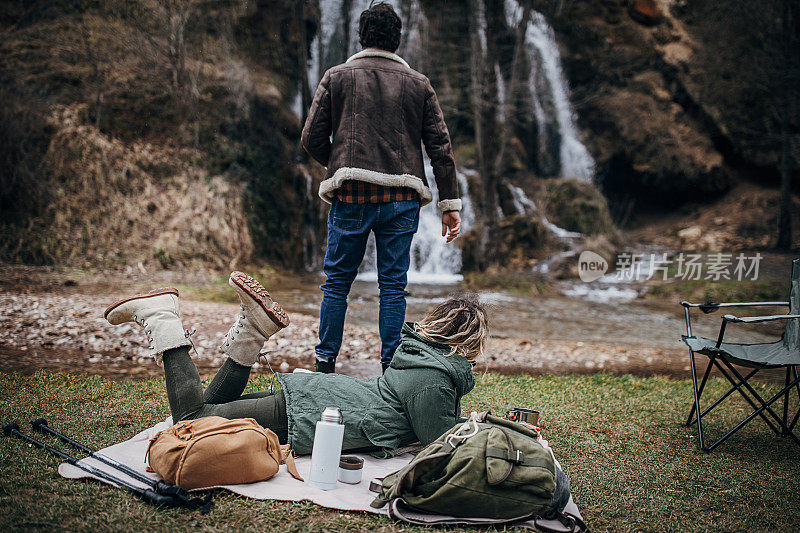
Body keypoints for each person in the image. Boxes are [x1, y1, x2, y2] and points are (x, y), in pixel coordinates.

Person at [104, 271, 570, 515]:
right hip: (307, 415)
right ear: (467, 344)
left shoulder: (418, 357)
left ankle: (253, 330)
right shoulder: (434, 376)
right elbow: (439, 440)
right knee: (191, 416)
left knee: (208, 412)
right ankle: (163, 317)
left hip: (319, 400)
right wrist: (486, 428)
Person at [301, 2, 463, 374]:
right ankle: (391, 368)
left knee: (338, 282)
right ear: (397, 40)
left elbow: (311, 137)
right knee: (393, 286)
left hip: (352, 194)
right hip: (401, 198)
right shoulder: (419, 84)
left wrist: (341, 165)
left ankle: (325, 363)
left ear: (361, 36)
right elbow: (440, 148)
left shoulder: (336, 77)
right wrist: (449, 204)